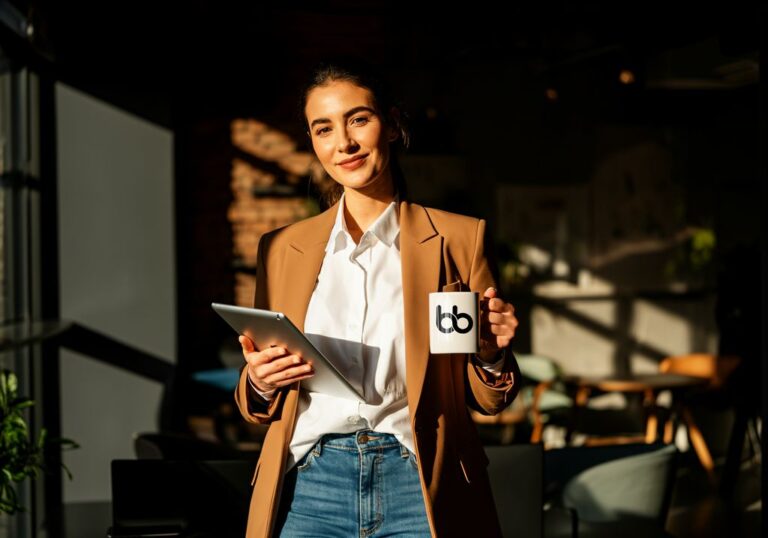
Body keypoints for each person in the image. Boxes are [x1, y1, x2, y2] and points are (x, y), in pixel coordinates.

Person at [234, 57, 521, 537]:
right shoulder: (282, 249)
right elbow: (260, 402)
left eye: (358, 120)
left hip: (420, 482)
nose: (343, 143)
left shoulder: (458, 238)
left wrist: (491, 355)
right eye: (323, 129)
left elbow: (486, 399)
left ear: (391, 125)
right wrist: (261, 381)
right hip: (310, 486)